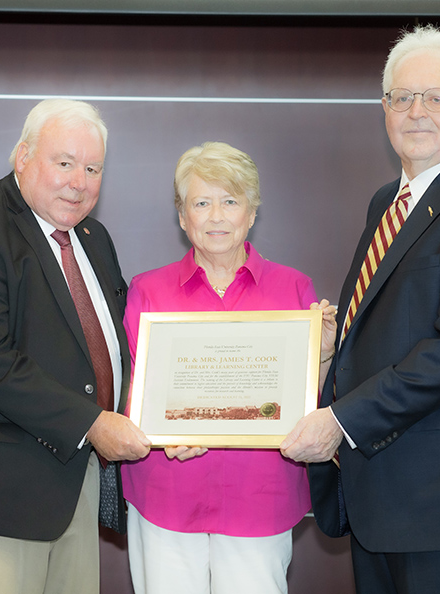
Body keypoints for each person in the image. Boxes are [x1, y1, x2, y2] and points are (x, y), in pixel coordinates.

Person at [280, 25, 440, 594]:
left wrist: (341, 420)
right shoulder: (387, 202)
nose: (416, 111)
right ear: (384, 108)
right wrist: (329, 350)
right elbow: (383, 330)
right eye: (402, 97)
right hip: (383, 500)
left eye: (436, 98)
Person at [0, 98, 151, 594]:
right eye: (64, 163)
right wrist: (92, 422)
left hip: (74, 491)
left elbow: (121, 348)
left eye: (92, 168)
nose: (79, 181)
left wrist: (161, 416)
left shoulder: (93, 237)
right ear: (22, 156)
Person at [121, 141, 337, 594]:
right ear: (183, 217)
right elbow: (132, 392)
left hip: (260, 495)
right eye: (201, 202)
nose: (216, 216)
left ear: (252, 213)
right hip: (167, 491)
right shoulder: (147, 291)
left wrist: (323, 355)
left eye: (230, 201)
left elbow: (306, 403)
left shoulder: (294, 289)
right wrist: (158, 430)